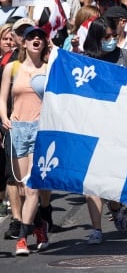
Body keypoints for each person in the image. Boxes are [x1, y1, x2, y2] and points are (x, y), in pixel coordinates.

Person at [80, 17, 127, 244]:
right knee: (91, 180)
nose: (111, 40)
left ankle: (116, 208)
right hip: (92, 127)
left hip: (120, 127)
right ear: (96, 38)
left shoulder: (125, 57)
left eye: (114, 36)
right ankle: (96, 229)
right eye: (106, 37)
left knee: (112, 181)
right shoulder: (83, 60)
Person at [0, 26, 50, 256]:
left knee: (31, 187)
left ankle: (22, 238)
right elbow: (2, 98)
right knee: (21, 187)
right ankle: (40, 227)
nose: (36, 40)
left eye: (40, 36)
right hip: (18, 128)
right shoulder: (12, 68)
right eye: (31, 37)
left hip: (40, 130)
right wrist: (4, 118)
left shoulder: (50, 69)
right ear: (24, 42)